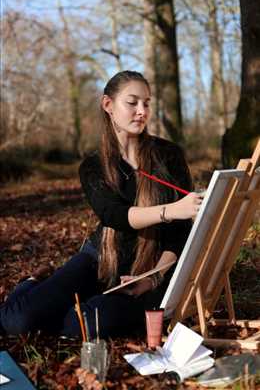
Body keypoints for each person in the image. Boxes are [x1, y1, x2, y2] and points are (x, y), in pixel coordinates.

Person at [0, 71, 203, 339]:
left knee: (80, 324)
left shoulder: (169, 155)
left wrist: (153, 278)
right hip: (101, 256)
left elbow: (180, 235)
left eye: (147, 103)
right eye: (132, 103)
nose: (142, 111)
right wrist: (171, 210)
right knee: (18, 321)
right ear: (108, 105)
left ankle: (62, 304)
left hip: (149, 267)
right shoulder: (93, 166)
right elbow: (114, 216)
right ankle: (33, 285)